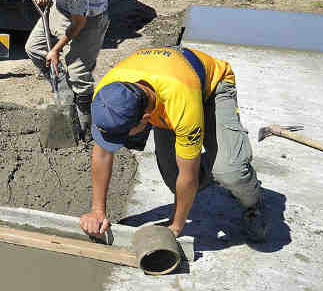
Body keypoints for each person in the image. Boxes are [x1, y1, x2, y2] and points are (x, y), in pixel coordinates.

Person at [80, 46, 268, 242]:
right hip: (169, 81)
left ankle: (253, 201)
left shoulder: (179, 104)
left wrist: (176, 226)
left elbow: (189, 174)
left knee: (229, 172)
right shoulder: (108, 95)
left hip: (212, 87)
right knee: (176, 181)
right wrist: (97, 211)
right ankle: (219, 163)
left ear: (146, 119)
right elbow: (102, 154)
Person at [25, 0, 110, 138]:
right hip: (62, 7)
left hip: (90, 17)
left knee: (78, 74)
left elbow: (78, 24)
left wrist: (55, 50)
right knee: (33, 49)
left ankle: (85, 127)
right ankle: (63, 89)